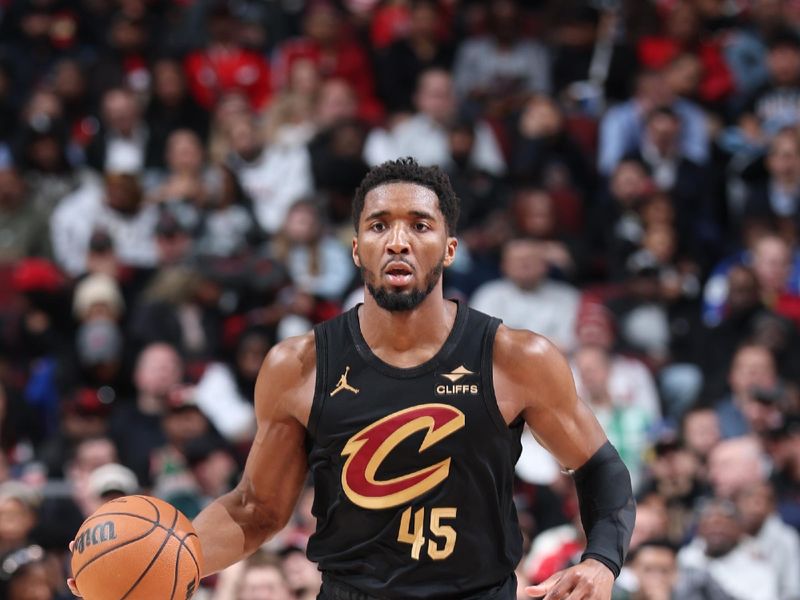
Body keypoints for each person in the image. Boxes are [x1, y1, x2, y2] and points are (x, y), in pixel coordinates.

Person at [68, 158, 634, 599]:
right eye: (379, 225)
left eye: (420, 225)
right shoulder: (298, 366)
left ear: (450, 248)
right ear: (357, 248)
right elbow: (256, 510)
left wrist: (602, 561)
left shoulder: (517, 357)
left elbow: (600, 468)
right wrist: (165, 564)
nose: (398, 240)